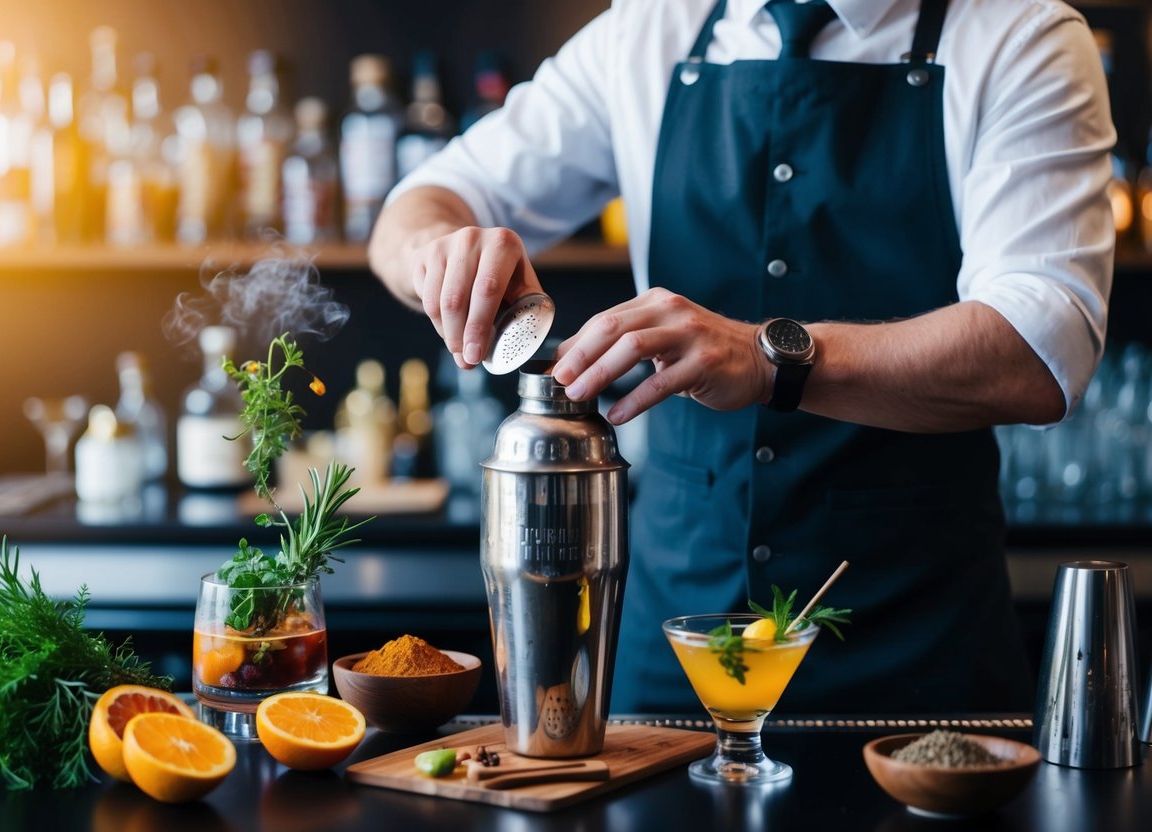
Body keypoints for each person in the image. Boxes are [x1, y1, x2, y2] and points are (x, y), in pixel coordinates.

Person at [368, 0, 1115, 714]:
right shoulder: (650, 29)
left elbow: (1039, 348)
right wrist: (440, 254)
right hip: (674, 647)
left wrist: (767, 358)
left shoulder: (1020, 37)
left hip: (914, 651)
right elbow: (421, 202)